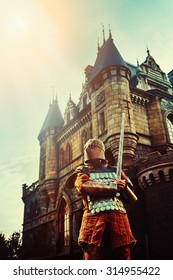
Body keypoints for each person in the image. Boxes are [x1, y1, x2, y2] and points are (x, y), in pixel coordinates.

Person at [66, 139, 136, 260]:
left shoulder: (116, 170)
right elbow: (85, 186)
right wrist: (113, 187)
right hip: (94, 214)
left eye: (93, 146)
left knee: (124, 252)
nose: (90, 148)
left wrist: (124, 186)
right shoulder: (82, 171)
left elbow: (131, 194)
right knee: (91, 252)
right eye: (89, 146)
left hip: (118, 214)